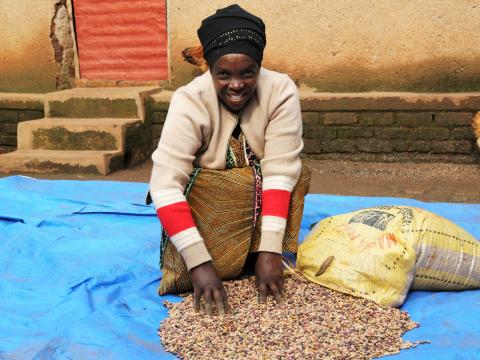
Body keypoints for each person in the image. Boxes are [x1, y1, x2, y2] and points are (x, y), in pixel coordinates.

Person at [148, 4, 310, 315]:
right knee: (215, 194)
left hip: (262, 193)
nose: (236, 85)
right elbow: (165, 187)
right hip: (213, 203)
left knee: (296, 174)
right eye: (223, 74)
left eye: (247, 72)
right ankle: (221, 255)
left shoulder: (280, 91)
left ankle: (254, 253)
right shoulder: (189, 100)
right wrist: (199, 265)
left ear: (259, 67)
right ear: (209, 69)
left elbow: (280, 170)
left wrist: (270, 250)